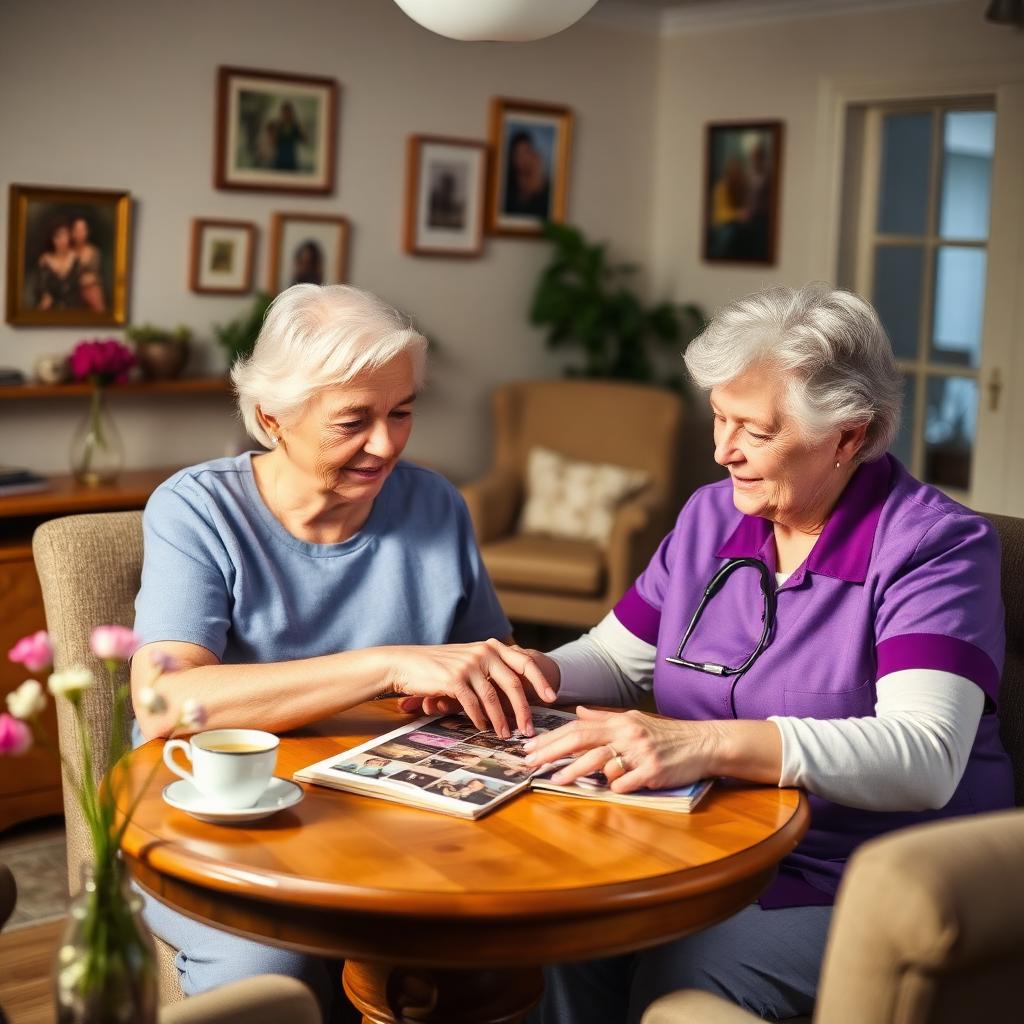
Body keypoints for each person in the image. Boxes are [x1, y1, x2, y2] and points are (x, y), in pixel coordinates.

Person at [407, 283, 1014, 1022]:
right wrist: (530, 675)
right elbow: (622, 656)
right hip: (708, 849)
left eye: (755, 432)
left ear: (848, 435)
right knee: (564, 933)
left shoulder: (934, 547)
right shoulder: (711, 514)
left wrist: (700, 743)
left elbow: (923, 756)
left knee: (678, 969)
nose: (724, 450)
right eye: (720, 418)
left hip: (870, 876)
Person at [130, 283, 555, 1021]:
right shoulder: (196, 509)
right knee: (275, 969)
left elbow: (492, 660)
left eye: (402, 412)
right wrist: (386, 664)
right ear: (272, 418)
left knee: (504, 947)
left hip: (396, 826)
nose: (387, 444)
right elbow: (168, 701)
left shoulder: (436, 505)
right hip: (231, 833)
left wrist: (491, 681)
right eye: (353, 421)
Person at [503, 130, 550, 218]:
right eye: (518, 153)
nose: (522, 158)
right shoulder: (507, 186)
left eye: (526, 152)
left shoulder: (542, 186)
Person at [35, 220, 81, 310]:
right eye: (57, 237)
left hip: (72, 308)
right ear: (52, 239)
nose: (62, 240)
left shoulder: (76, 259)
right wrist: (46, 296)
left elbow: (76, 287)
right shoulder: (45, 261)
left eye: (64, 235)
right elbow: (41, 287)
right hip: (52, 307)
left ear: (69, 237)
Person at [69, 215, 105, 311]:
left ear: (87, 232)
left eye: (83, 230)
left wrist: (89, 279)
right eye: (77, 230)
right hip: (72, 290)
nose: (80, 233)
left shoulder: (94, 252)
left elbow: (96, 275)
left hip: (91, 289)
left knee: (93, 290)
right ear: (72, 233)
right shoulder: (68, 252)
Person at [269, 100, 306, 171]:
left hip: (291, 161)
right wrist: (275, 131)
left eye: (289, 112)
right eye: (285, 112)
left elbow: (304, 141)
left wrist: (301, 127)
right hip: (279, 160)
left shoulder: (295, 127)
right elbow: (272, 143)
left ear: (292, 113)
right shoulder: (278, 126)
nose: (287, 115)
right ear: (282, 113)